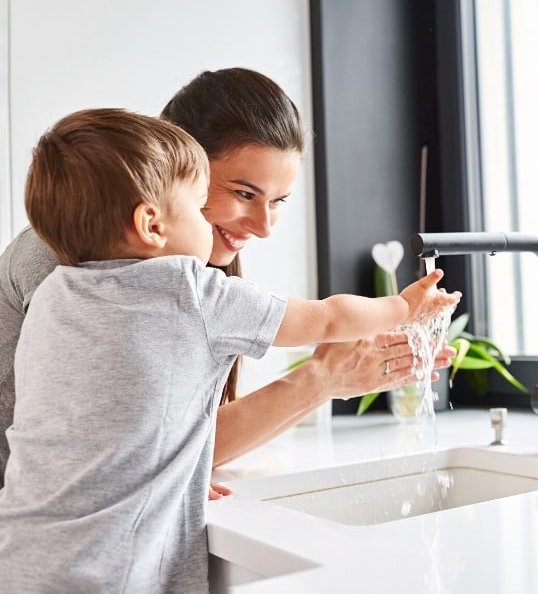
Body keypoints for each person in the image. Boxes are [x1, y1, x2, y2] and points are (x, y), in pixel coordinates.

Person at [0, 108, 460, 592]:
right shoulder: (188, 290)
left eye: (278, 200)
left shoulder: (58, 292)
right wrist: (404, 307)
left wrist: (182, 465)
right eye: (213, 201)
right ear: (152, 223)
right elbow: (328, 316)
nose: (262, 227)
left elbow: (93, 421)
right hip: (112, 572)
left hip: (20, 554)